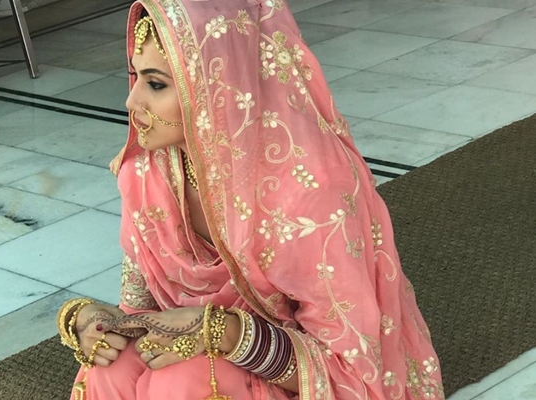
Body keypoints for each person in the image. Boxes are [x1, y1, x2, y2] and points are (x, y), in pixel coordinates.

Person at [56, 1, 444, 399]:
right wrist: (96, 325)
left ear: (220, 86)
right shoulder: (146, 173)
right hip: (211, 349)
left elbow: (349, 369)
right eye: (136, 76)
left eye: (156, 85)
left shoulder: (310, 192)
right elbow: (141, 310)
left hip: (299, 373)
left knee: (185, 379)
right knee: (110, 367)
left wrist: (225, 333)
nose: (131, 102)